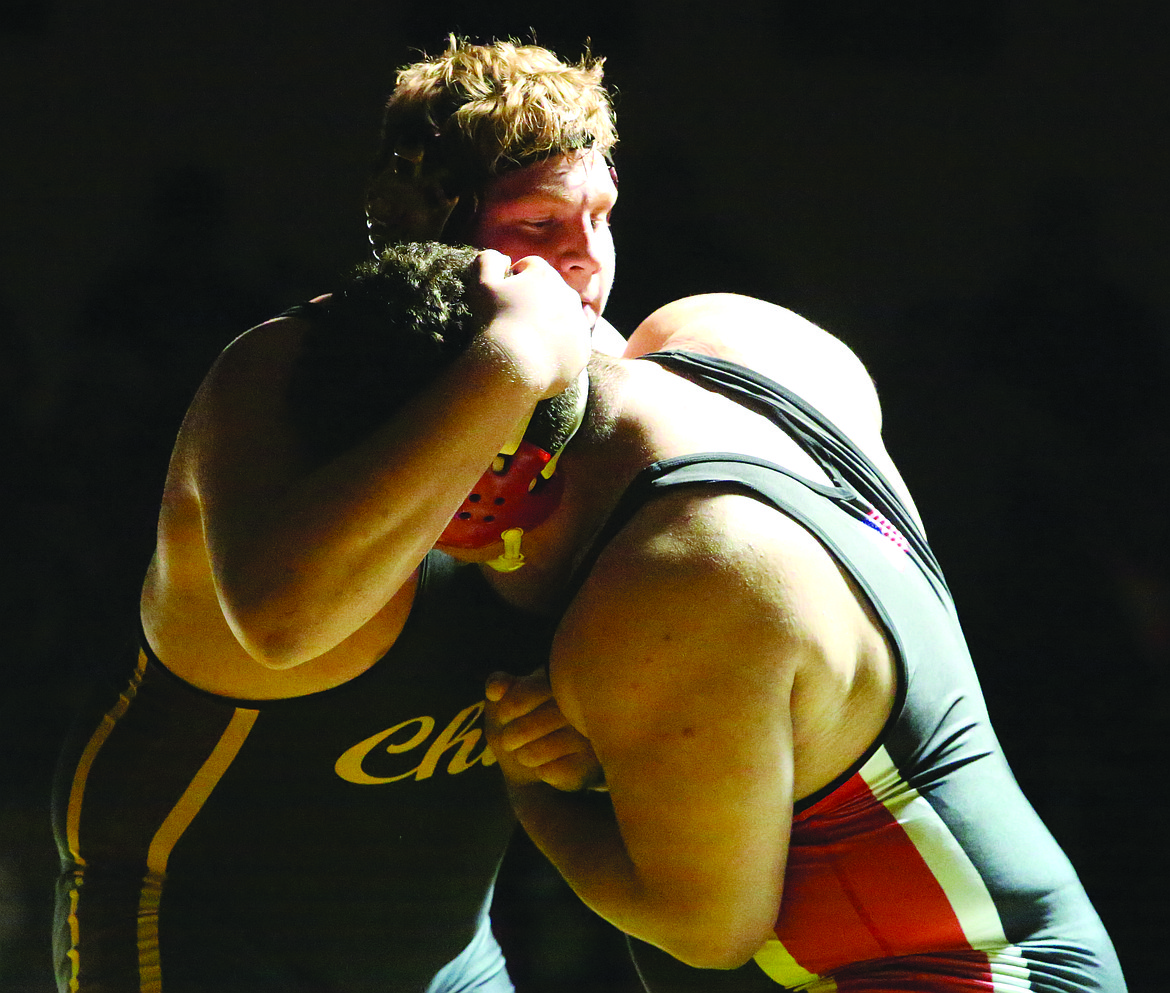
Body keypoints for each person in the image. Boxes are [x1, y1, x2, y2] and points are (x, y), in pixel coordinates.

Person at [51, 36, 618, 993]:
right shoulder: (280, 374)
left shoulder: (595, 388)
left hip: (442, 949)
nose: (583, 262)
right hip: (200, 922)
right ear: (429, 237)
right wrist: (513, 359)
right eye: (536, 227)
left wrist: (590, 735)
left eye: (602, 218)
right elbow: (282, 618)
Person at [461, 290, 1126, 990]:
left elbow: (707, 931)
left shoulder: (679, 583)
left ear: (501, 496)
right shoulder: (730, 338)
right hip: (1033, 954)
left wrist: (532, 788)